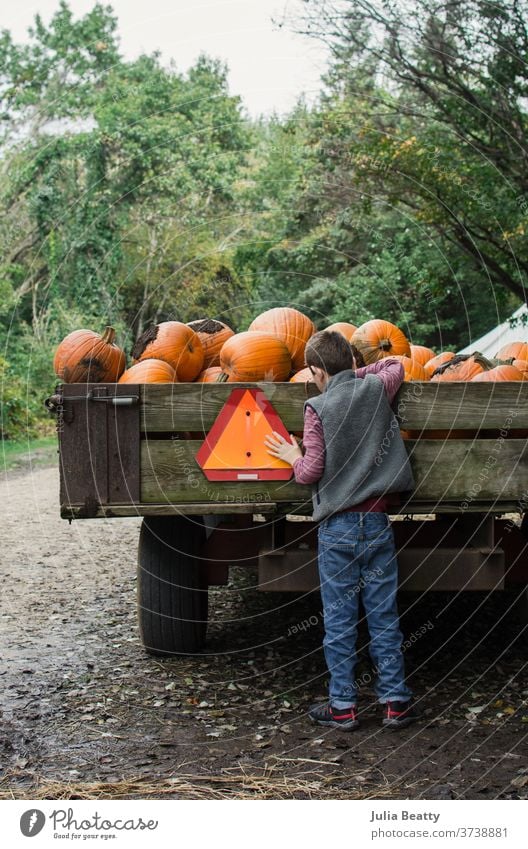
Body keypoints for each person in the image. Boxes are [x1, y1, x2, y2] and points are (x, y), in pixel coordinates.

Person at [265, 330, 419, 731]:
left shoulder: (316, 407)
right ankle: (395, 702)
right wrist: (353, 372)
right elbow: (396, 364)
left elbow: (312, 471)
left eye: (313, 372)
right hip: (377, 523)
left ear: (316, 371)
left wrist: (293, 457)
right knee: (384, 615)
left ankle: (344, 706)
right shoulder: (374, 388)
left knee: (340, 620)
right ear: (351, 362)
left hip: (338, 530)